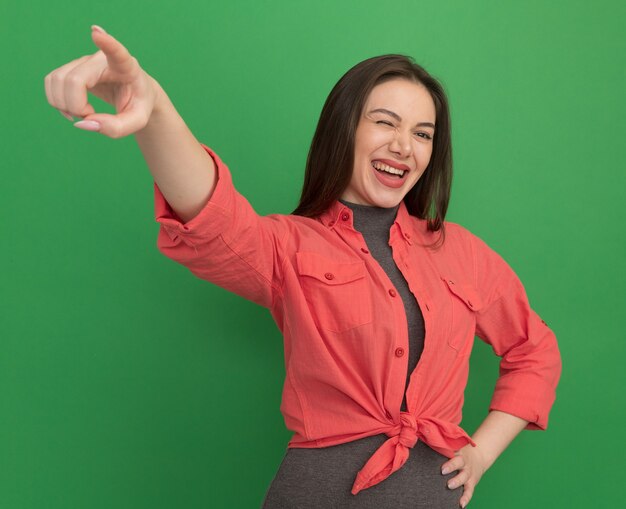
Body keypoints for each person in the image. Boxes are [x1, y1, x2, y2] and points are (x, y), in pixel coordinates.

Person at [44, 25, 562, 509]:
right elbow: (212, 216)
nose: (404, 145)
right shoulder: (289, 245)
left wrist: (481, 453)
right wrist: (152, 109)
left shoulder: (460, 252)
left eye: (423, 133)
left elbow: (534, 349)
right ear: (345, 128)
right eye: (384, 122)